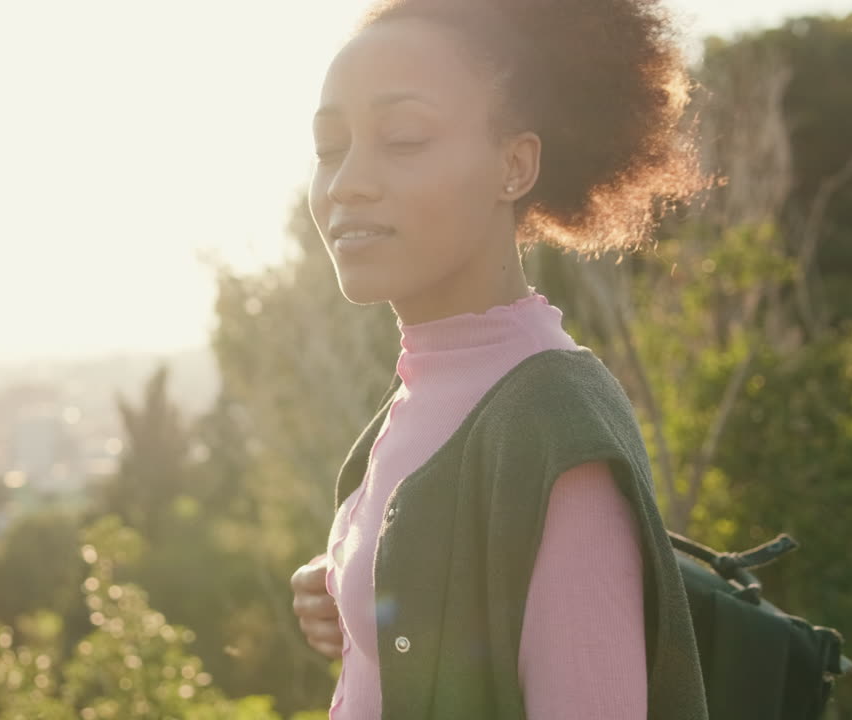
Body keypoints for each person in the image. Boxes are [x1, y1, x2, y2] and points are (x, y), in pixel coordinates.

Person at [288, 0, 712, 718]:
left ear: (513, 166)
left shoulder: (551, 428)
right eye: (331, 148)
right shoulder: (430, 386)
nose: (347, 181)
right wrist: (357, 585)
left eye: (404, 138)